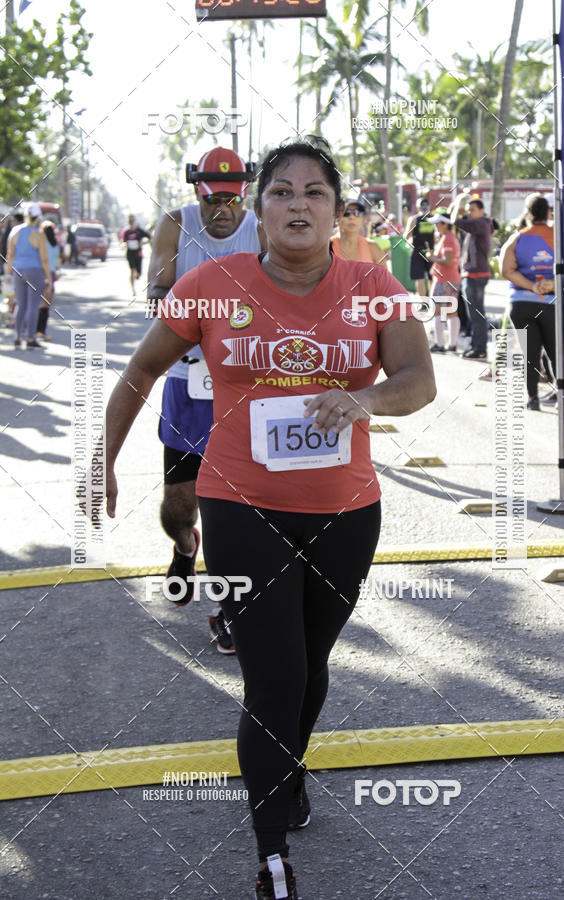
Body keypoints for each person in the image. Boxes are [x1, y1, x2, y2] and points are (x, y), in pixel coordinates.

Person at [102, 139, 436, 899]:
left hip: (345, 512)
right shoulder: (211, 284)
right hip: (238, 503)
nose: (297, 204)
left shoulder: (373, 285)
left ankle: (288, 768)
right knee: (274, 674)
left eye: (314, 192)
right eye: (281, 192)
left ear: (335, 210)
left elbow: (418, 378)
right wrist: (104, 460)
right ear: (258, 210)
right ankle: (271, 854)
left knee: (311, 670)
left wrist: (367, 399)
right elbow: (139, 372)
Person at [148, 146, 262, 652]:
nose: (224, 210)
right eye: (215, 200)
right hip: (186, 379)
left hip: (245, 380)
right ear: (198, 192)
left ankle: (227, 608)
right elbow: (157, 292)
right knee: (180, 504)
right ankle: (183, 546)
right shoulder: (174, 225)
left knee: (236, 506)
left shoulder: (260, 226)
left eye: (233, 200)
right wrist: (206, 306)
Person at [500, 193, 556, 410]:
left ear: (528, 213)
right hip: (551, 302)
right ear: (548, 212)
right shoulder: (559, 236)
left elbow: (507, 270)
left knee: (530, 351)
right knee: (555, 351)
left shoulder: (516, 238)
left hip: (522, 303)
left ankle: (532, 399)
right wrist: (550, 284)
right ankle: (563, 396)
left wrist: (531, 286)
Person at [451, 197, 494, 360]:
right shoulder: (479, 225)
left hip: (476, 274)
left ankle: (480, 348)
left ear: (482, 210)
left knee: (476, 314)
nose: (469, 213)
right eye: (468, 210)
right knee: (475, 314)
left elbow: (455, 221)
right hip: (473, 274)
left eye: (472, 210)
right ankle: (477, 345)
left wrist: (457, 206)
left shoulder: (481, 224)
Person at [5, 202, 51, 350]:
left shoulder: (15, 232)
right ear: (38, 217)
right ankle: (31, 338)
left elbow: (10, 255)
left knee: (21, 304)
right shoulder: (39, 234)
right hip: (35, 271)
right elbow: (44, 258)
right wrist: (49, 278)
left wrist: (7, 274)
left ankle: (18, 337)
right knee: (33, 306)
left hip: (18, 271)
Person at [427, 213, 461, 352]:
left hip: (444, 279)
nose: (435, 226)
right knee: (451, 311)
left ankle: (440, 344)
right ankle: (452, 345)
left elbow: (447, 260)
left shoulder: (447, 239)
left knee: (438, 311)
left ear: (445, 224)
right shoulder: (450, 238)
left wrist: (433, 257)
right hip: (452, 278)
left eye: (437, 223)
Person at [331, 199, 387, 264]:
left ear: (363, 219)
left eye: (357, 213)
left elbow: (383, 274)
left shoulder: (373, 248)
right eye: (346, 213)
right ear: (337, 217)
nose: (352, 217)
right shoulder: (327, 248)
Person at [404, 196, 435, 295]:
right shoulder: (434, 219)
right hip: (431, 251)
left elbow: (406, 235)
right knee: (432, 278)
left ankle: (423, 303)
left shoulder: (414, 219)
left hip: (417, 251)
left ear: (418, 207)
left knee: (419, 278)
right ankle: (433, 302)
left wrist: (411, 239)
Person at [36, 221, 61, 340]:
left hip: (42, 273)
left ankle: (37, 331)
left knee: (37, 304)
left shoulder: (42, 244)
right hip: (51, 273)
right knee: (46, 305)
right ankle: (41, 331)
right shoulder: (56, 245)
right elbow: (58, 261)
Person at [121, 214, 151, 296]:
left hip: (138, 253)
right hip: (130, 253)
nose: (131, 221)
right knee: (132, 270)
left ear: (134, 220)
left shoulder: (139, 230)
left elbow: (150, 237)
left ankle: (138, 274)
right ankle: (133, 290)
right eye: (129, 219)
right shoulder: (126, 231)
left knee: (138, 273)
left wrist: (143, 243)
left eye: (132, 219)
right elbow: (123, 241)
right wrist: (124, 245)